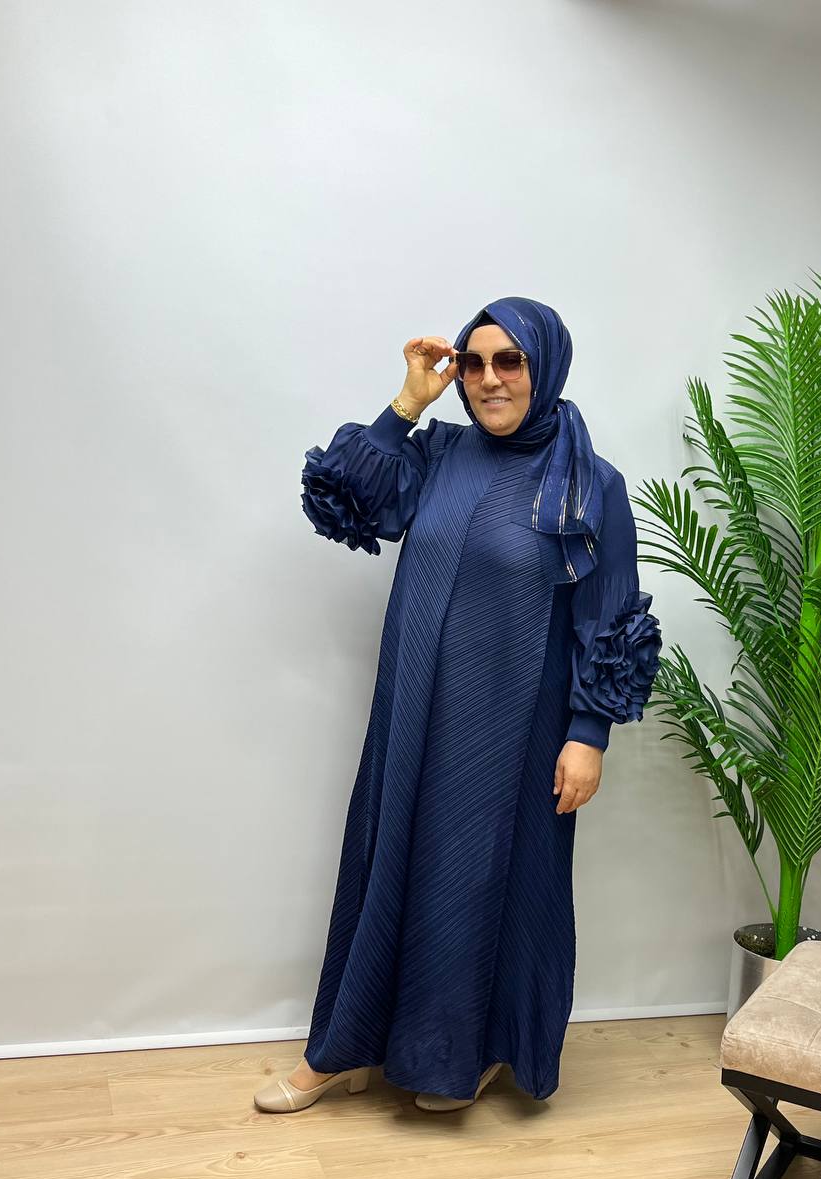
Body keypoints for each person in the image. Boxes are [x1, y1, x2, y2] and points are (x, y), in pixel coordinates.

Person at [254, 297, 662, 1115]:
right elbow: (342, 501)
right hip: (412, 715)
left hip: (516, 731)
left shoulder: (591, 483)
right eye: (473, 363)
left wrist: (588, 736)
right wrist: (408, 402)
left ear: (546, 367)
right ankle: (344, 1049)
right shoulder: (439, 453)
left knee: (481, 881)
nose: (488, 379)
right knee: (386, 862)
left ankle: (465, 1055)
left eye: (509, 361)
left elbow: (611, 616)